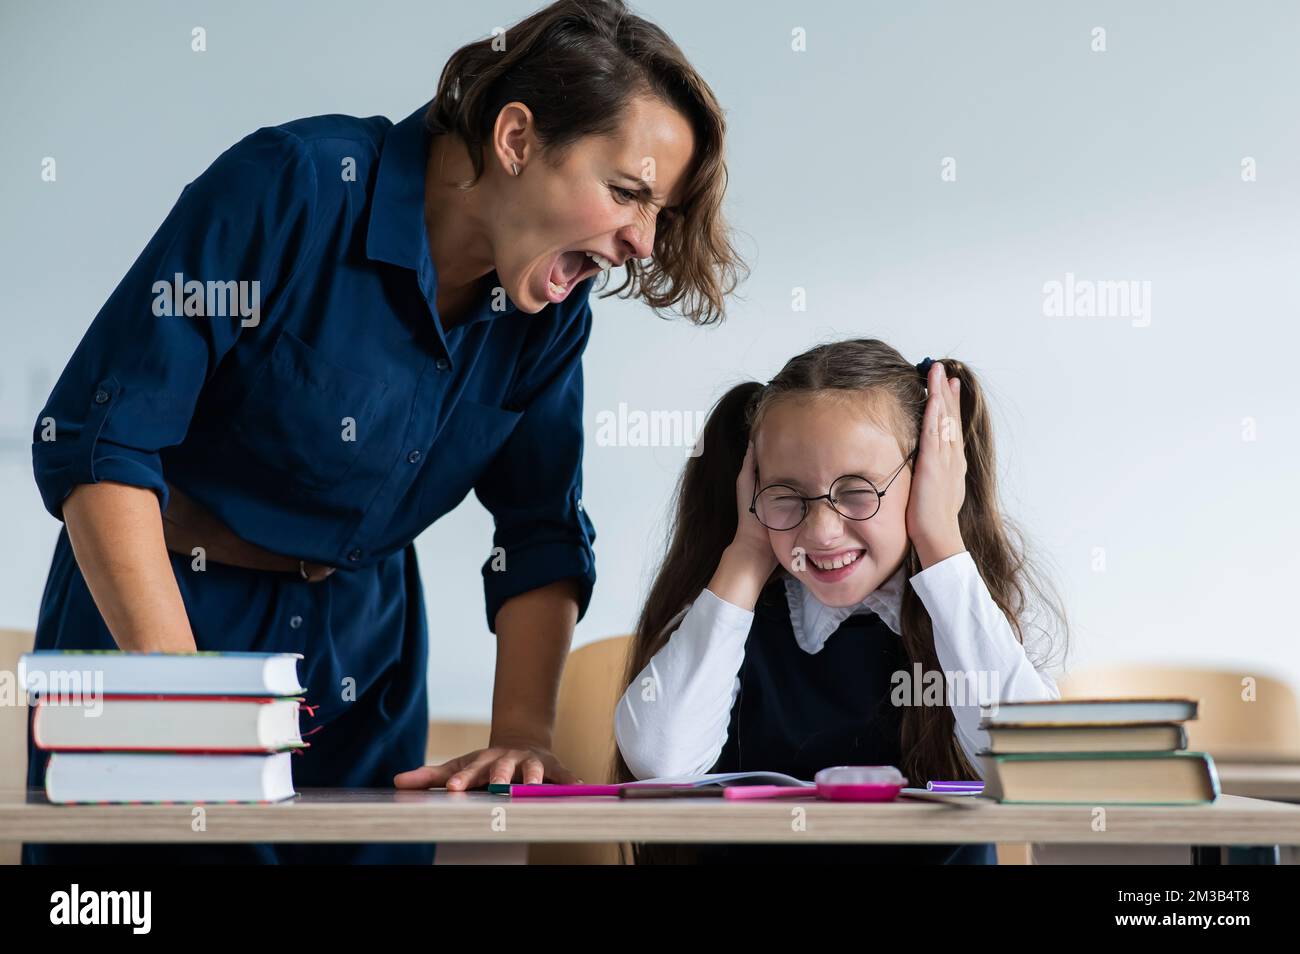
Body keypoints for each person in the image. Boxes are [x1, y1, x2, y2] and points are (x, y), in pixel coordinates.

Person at [25, 0, 744, 864]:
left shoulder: (548, 312)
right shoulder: (288, 185)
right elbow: (102, 444)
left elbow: (540, 528)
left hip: (367, 649)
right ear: (516, 138)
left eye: (658, 212)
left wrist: (521, 731)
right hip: (161, 612)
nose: (642, 240)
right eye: (628, 192)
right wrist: (181, 696)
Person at [613, 339, 1068, 863]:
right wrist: (747, 551)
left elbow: (1029, 763)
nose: (823, 532)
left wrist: (940, 536)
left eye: (857, 490)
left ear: (926, 478)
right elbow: (660, 759)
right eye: (786, 495)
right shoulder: (728, 616)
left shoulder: (971, 608)